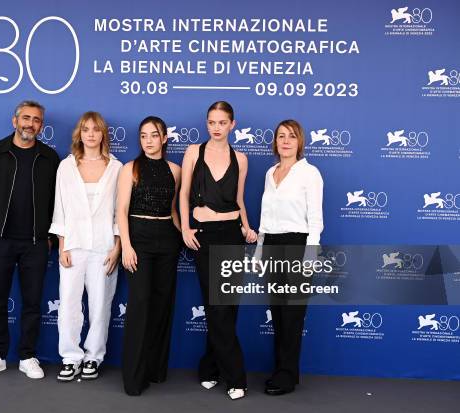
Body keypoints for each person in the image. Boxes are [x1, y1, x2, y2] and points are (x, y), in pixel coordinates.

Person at [0, 100, 60, 379]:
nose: (30, 124)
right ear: (14, 121)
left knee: (32, 303)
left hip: (35, 243)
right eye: (25, 118)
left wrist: (51, 239)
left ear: (41, 126)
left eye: (36, 120)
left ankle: (27, 356)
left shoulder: (49, 157)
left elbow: (59, 202)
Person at [179, 101, 257, 400]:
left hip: (232, 235)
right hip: (203, 235)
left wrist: (247, 228)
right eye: (211, 121)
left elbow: (239, 200)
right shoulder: (193, 152)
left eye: (222, 122)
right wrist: (185, 228)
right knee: (217, 305)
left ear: (232, 125)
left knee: (226, 306)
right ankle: (236, 376)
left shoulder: (241, 158)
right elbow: (184, 193)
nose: (215, 127)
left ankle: (209, 368)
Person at [50, 111, 122, 382]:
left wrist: (117, 247)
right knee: (68, 302)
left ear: (103, 133)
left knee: (100, 304)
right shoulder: (65, 167)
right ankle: (70, 357)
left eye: (96, 129)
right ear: (79, 134)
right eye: (85, 129)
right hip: (73, 245)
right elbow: (60, 209)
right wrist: (62, 246)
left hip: (104, 247)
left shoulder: (117, 168)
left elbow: (119, 212)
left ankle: (93, 356)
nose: (90, 134)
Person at [116, 116, 182, 395]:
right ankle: (134, 377)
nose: (148, 141)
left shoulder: (176, 170)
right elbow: (121, 211)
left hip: (168, 239)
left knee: (162, 304)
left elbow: (174, 209)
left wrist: (183, 235)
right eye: (143, 136)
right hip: (138, 240)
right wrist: (127, 247)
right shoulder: (130, 168)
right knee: (140, 304)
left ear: (164, 138)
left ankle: (155, 370)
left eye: (153, 135)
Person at [257, 119, 323, 395]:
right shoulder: (270, 173)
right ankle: (284, 370)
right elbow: (265, 216)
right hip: (272, 244)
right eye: (281, 136)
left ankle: (286, 376)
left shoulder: (310, 174)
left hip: (297, 245)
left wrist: (310, 253)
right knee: (278, 312)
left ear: (299, 142)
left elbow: (316, 218)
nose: (285, 141)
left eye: (291, 137)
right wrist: (260, 249)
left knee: (293, 314)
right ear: (275, 142)